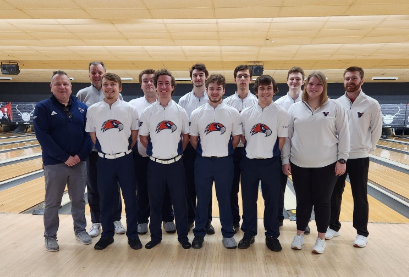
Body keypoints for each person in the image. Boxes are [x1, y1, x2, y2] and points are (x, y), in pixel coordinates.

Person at [282, 71, 350, 254]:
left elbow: (344, 135)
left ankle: (321, 238)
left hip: (326, 164)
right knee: (302, 201)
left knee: (322, 201)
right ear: (306, 85)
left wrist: (342, 159)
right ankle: (299, 235)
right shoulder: (295, 108)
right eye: (311, 84)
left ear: (324, 87)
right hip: (299, 163)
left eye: (318, 84)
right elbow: (288, 137)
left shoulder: (335, 107)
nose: (314, 87)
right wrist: (285, 160)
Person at [33, 70, 93, 251]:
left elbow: (89, 135)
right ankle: (50, 235)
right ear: (51, 87)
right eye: (58, 84)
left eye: (65, 84)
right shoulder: (43, 108)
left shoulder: (82, 107)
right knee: (53, 202)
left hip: (78, 163)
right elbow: (43, 137)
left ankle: (80, 230)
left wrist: (79, 157)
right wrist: (64, 157)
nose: (62, 87)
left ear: (71, 87)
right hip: (54, 164)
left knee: (78, 200)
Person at [326, 66, 382, 248]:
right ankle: (333, 226)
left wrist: (367, 149)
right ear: (344, 81)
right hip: (338, 156)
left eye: (354, 78)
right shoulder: (336, 104)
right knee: (334, 194)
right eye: (347, 78)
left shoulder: (371, 104)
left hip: (359, 157)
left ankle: (361, 232)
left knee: (360, 195)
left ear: (361, 81)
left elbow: (376, 130)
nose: (350, 81)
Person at [86, 73, 141, 250]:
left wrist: (122, 150)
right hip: (104, 162)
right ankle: (107, 235)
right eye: (106, 85)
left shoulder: (130, 109)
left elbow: (134, 135)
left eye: (113, 84)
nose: (109, 88)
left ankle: (133, 235)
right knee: (106, 200)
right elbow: (93, 136)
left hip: (125, 160)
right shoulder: (93, 110)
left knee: (131, 200)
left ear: (120, 87)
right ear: (101, 87)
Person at [139, 69, 191, 249]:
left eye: (167, 83)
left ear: (172, 87)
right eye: (160, 83)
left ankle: (183, 237)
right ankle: (155, 237)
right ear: (155, 86)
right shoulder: (148, 112)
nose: (163, 87)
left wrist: (177, 152)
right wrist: (154, 152)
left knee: (180, 203)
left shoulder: (181, 111)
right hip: (155, 166)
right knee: (155, 203)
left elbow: (185, 136)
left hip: (176, 166)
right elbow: (143, 137)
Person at [189, 74, 241, 249]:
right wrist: (207, 152)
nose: (214, 91)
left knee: (224, 199)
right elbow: (193, 139)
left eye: (218, 88)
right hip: (203, 162)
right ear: (206, 90)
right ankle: (199, 234)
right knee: (202, 200)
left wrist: (223, 152)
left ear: (224, 90)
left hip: (224, 163)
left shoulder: (232, 113)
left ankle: (227, 234)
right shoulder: (197, 113)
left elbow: (236, 138)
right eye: (211, 88)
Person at [238, 75, 289, 252]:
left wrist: (270, 154)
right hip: (250, 163)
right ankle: (249, 233)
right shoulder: (245, 114)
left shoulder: (282, 113)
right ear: (256, 91)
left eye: (269, 88)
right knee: (249, 200)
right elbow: (244, 138)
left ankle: (272, 235)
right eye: (262, 88)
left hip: (271, 164)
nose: (265, 92)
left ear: (274, 90)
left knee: (272, 201)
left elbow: (282, 140)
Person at [76, 61, 125, 237]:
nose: (96, 75)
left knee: (114, 187)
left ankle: (115, 219)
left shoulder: (116, 94)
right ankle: (96, 221)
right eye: (93, 73)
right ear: (89, 75)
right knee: (94, 187)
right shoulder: (82, 94)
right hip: (94, 152)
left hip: (113, 151)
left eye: (99, 72)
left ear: (105, 73)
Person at [129, 69, 176, 235]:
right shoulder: (133, 105)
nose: (149, 83)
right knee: (142, 189)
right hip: (141, 156)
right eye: (145, 81)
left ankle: (168, 218)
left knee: (166, 189)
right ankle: (142, 219)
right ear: (141, 85)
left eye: (151, 80)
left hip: (164, 156)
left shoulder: (168, 104)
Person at [178, 63, 214, 234]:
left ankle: (207, 221)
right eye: (195, 75)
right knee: (190, 186)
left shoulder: (214, 97)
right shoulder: (183, 101)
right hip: (190, 150)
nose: (198, 78)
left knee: (206, 186)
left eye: (201, 75)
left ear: (206, 77)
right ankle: (190, 219)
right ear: (191, 78)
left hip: (209, 147)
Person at [275, 66, 310, 234]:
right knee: (279, 188)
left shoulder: (311, 102)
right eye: (292, 79)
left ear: (303, 81)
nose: (295, 81)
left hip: (304, 155)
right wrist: (284, 158)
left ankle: (304, 221)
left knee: (304, 191)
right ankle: (277, 218)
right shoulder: (279, 104)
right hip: (282, 153)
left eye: (298, 79)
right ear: (287, 81)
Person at [223, 64, 258, 233]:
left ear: (251, 79)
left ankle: (249, 223)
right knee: (232, 189)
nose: (242, 79)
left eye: (245, 76)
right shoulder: (227, 102)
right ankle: (234, 221)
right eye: (239, 76)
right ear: (235, 79)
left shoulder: (258, 102)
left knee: (249, 191)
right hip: (233, 151)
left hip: (251, 152)